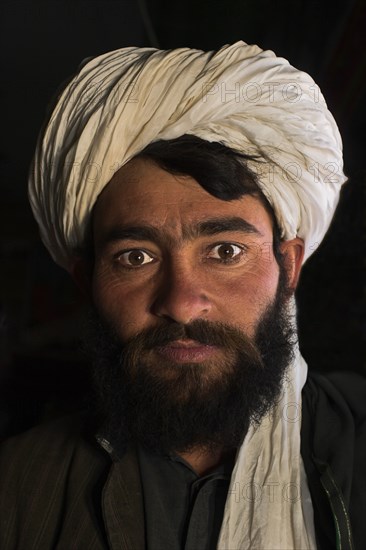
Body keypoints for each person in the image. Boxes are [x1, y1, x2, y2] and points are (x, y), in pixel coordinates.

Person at [0, 41, 365, 550]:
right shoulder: (18, 488)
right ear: (86, 282)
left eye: (225, 251)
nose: (181, 301)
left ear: (288, 265)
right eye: (136, 257)